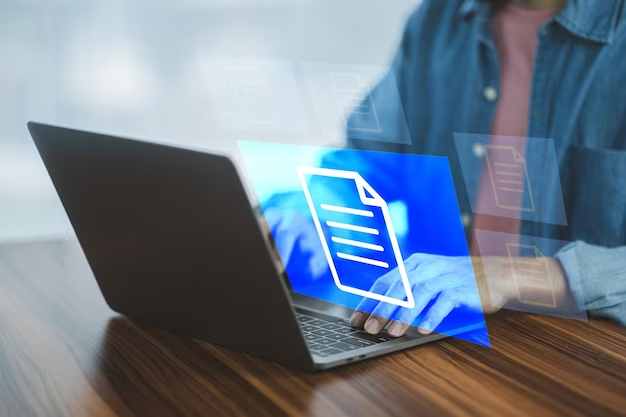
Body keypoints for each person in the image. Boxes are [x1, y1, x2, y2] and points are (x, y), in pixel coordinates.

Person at [266, 0, 626, 337]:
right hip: (425, 328)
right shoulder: (437, 19)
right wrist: (312, 219)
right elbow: (367, 160)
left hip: (571, 349)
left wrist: (513, 275)